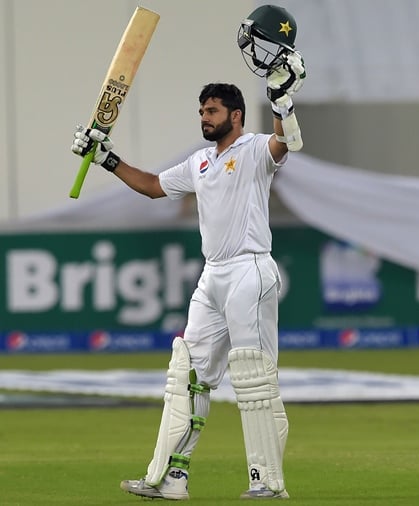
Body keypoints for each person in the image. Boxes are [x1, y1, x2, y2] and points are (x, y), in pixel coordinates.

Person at [71, 5, 305, 500]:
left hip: (251, 271)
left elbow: (286, 145)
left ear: (234, 116)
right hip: (214, 276)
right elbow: (155, 186)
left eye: (212, 111)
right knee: (188, 375)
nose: (204, 118)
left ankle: (268, 483)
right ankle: (169, 478)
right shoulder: (199, 161)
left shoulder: (256, 149)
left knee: (253, 377)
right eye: (201, 111)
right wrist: (107, 158)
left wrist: (282, 101)